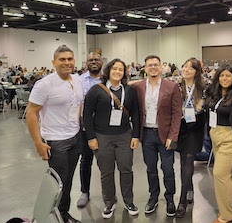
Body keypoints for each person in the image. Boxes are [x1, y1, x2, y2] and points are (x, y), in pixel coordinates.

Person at [26, 45, 83, 223]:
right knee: (58, 183)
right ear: (54, 62)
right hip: (56, 141)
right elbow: (31, 113)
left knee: (68, 180)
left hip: (75, 137)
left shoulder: (77, 79)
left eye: (70, 59)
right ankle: (56, 216)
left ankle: (62, 214)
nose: (67, 63)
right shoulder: (44, 84)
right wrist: (38, 143)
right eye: (62, 59)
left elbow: (78, 104)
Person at [83, 58, 140, 218]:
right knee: (106, 172)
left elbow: (135, 113)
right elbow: (87, 115)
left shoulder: (129, 91)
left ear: (124, 73)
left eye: (121, 69)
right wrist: (91, 138)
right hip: (102, 137)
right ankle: (109, 202)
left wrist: (135, 135)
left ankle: (129, 201)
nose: (117, 72)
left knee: (126, 170)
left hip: (124, 136)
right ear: (108, 71)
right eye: (114, 69)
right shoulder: (96, 90)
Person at [132, 55, 182, 217]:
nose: (153, 67)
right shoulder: (138, 87)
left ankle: (169, 198)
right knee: (151, 169)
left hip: (165, 135)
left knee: (168, 169)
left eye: (156, 65)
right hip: (146, 135)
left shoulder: (172, 87)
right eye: (149, 65)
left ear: (161, 67)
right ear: (145, 68)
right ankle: (153, 197)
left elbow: (176, 114)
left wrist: (172, 136)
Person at [206, 63, 232, 223]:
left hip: (231, 138)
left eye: (228, 75)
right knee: (230, 175)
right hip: (216, 135)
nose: (224, 78)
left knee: (220, 174)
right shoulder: (215, 92)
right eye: (222, 75)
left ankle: (226, 215)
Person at [172, 57, 208, 217]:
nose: (186, 70)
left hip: (195, 128)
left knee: (188, 158)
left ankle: (182, 201)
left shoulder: (204, 86)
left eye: (190, 68)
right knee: (183, 161)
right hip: (180, 128)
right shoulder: (175, 85)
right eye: (184, 66)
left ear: (196, 72)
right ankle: (189, 189)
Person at [76, 52, 103, 208]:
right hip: (86, 129)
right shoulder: (79, 81)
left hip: (104, 129)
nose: (94, 62)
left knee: (106, 162)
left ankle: (109, 192)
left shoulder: (106, 80)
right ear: (86, 63)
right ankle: (84, 191)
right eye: (91, 60)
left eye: (97, 60)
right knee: (85, 161)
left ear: (101, 62)